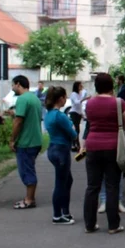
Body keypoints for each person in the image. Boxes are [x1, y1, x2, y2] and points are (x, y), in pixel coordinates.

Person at [83, 73, 125, 234]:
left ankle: (90, 224)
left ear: (96, 86)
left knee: (92, 186)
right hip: (113, 147)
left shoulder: (89, 103)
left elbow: (89, 122)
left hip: (92, 145)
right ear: (112, 85)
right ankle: (113, 225)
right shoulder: (119, 103)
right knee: (112, 186)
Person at [44, 86, 78, 225]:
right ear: (60, 99)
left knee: (67, 180)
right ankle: (57, 215)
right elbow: (73, 134)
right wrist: (73, 128)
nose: (66, 100)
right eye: (65, 97)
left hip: (53, 147)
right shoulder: (60, 116)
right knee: (60, 183)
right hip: (61, 149)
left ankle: (65, 212)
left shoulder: (49, 114)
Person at [10, 75, 43, 210]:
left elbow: (19, 121)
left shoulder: (22, 99)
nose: (12, 88)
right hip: (36, 140)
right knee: (29, 168)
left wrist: (12, 139)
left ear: (18, 84)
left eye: (13, 85)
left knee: (26, 170)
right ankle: (29, 198)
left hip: (26, 142)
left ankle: (29, 200)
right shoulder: (34, 98)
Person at [69, 81, 90, 152]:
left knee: (77, 129)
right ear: (77, 86)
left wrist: (83, 114)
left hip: (78, 113)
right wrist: (85, 98)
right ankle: (75, 144)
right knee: (76, 129)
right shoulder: (73, 94)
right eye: (80, 85)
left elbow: (80, 106)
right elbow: (77, 102)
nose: (81, 86)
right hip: (74, 112)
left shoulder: (80, 93)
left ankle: (75, 144)